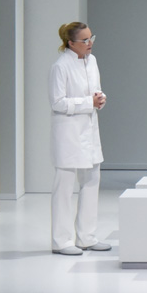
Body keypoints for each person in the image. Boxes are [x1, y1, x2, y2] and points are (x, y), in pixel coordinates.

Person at [49, 22, 110, 255]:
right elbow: (57, 102)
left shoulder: (91, 61)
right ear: (70, 43)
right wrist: (87, 103)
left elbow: (96, 89)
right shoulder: (60, 66)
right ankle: (61, 241)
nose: (89, 43)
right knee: (64, 188)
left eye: (91, 38)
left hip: (90, 131)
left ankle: (87, 237)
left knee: (92, 181)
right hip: (68, 133)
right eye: (84, 40)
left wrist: (100, 99)